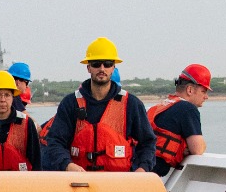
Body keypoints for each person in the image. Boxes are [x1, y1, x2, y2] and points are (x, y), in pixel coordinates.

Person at [40, 37, 155, 172]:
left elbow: (148, 142)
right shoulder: (70, 103)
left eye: (107, 64)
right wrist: (68, 165)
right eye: (96, 64)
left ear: (113, 68)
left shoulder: (131, 104)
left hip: (120, 183)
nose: (102, 68)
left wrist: (142, 169)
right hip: (79, 182)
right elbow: (55, 142)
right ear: (88, 68)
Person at [148, 64, 212, 176]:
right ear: (190, 90)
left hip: (139, 169)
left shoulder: (161, 106)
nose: (206, 96)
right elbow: (198, 149)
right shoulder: (187, 109)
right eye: (204, 91)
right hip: (151, 175)